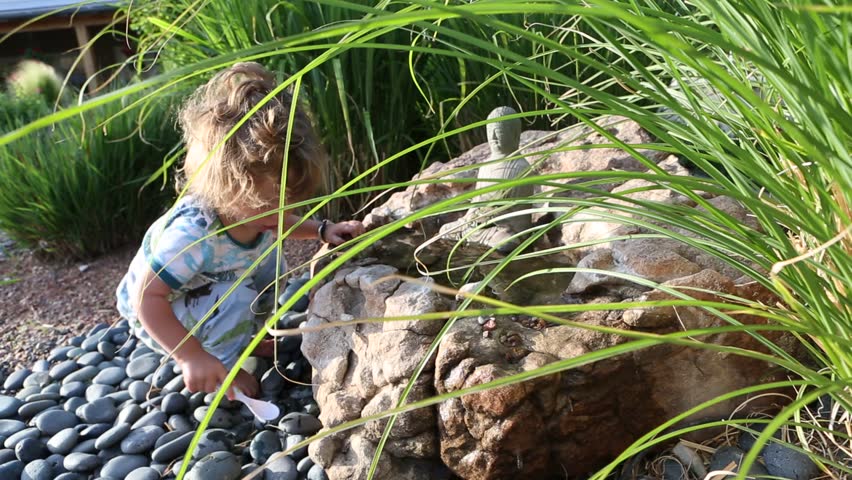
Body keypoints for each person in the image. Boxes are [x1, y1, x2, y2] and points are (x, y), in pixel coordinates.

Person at [115, 62, 364, 399]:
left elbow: (276, 221)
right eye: (267, 207)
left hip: (215, 280)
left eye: (286, 203)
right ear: (224, 192)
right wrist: (191, 356)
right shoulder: (192, 238)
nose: (279, 215)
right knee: (237, 299)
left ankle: (244, 333)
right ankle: (224, 367)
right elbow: (146, 298)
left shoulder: (254, 211)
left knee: (269, 267)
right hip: (164, 310)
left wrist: (323, 230)